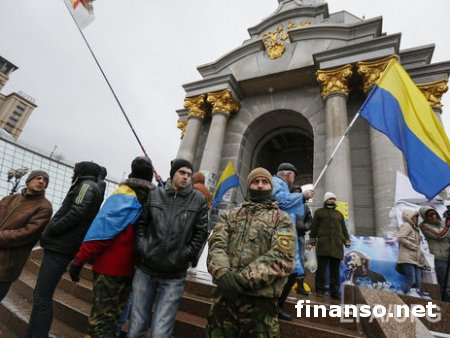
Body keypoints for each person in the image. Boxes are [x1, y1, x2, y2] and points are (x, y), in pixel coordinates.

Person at [68, 156, 154, 336]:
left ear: (131, 173)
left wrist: (79, 259)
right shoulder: (153, 199)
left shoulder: (124, 194)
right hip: (132, 270)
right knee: (114, 317)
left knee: (100, 320)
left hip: (109, 268)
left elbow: (103, 231)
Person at [206, 167, 295, 337]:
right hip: (225, 300)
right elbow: (216, 244)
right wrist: (222, 272)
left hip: (260, 307)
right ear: (249, 186)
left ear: (270, 186)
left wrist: (241, 280)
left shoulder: (282, 218)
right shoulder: (230, 215)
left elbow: (282, 257)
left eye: (264, 182)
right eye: (255, 181)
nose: (260, 185)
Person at [128, 158, 208, 338]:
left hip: (174, 275)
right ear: (173, 174)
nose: (186, 177)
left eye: (189, 174)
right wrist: (142, 247)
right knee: (136, 327)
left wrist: (185, 255)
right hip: (145, 270)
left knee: (161, 332)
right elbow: (141, 223)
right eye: (182, 172)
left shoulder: (198, 200)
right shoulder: (154, 194)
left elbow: (201, 233)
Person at [25, 161, 103, 338]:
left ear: (81, 172)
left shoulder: (85, 186)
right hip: (64, 246)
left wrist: (51, 229)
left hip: (61, 247)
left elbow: (76, 212)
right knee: (42, 295)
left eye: (75, 171)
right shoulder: (91, 185)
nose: (72, 175)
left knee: (41, 296)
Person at [0, 170, 52, 301]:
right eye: (37, 178)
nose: (41, 181)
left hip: (6, 263)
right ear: (28, 181)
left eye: (44, 180)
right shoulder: (9, 199)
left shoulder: (44, 207)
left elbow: (27, 234)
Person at [272, 163, 314, 320]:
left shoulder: (282, 185)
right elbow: (278, 201)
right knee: (287, 271)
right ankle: (273, 306)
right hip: (280, 236)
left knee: (293, 271)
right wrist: (301, 196)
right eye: (293, 177)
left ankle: (277, 306)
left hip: (288, 236)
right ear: (289, 175)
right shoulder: (276, 183)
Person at [308, 192, 351, 299]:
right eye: (330, 198)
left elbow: (344, 229)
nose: (332, 200)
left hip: (337, 246)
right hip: (323, 245)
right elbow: (314, 228)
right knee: (321, 271)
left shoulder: (339, 214)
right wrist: (311, 241)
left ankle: (335, 293)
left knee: (335, 272)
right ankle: (319, 291)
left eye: (334, 199)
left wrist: (347, 240)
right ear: (325, 200)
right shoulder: (319, 212)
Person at [419, 206, 450, 301]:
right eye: (429, 215)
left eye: (434, 213)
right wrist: (448, 224)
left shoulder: (443, 222)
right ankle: (446, 306)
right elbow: (439, 235)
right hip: (440, 259)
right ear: (425, 217)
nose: (433, 216)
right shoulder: (424, 226)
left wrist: (447, 216)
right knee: (446, 286)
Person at [396, 209, 427, 296]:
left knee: (417, 283)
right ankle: (398, 297)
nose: (416, 219)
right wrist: (413, 246)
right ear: (409, 217)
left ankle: (411, 299)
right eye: (415, 217)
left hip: (417, 260)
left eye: (417, 217)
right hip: (408, 258)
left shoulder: (416, 229)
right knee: (411, 280)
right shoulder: (407, 225)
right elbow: (401, 238)